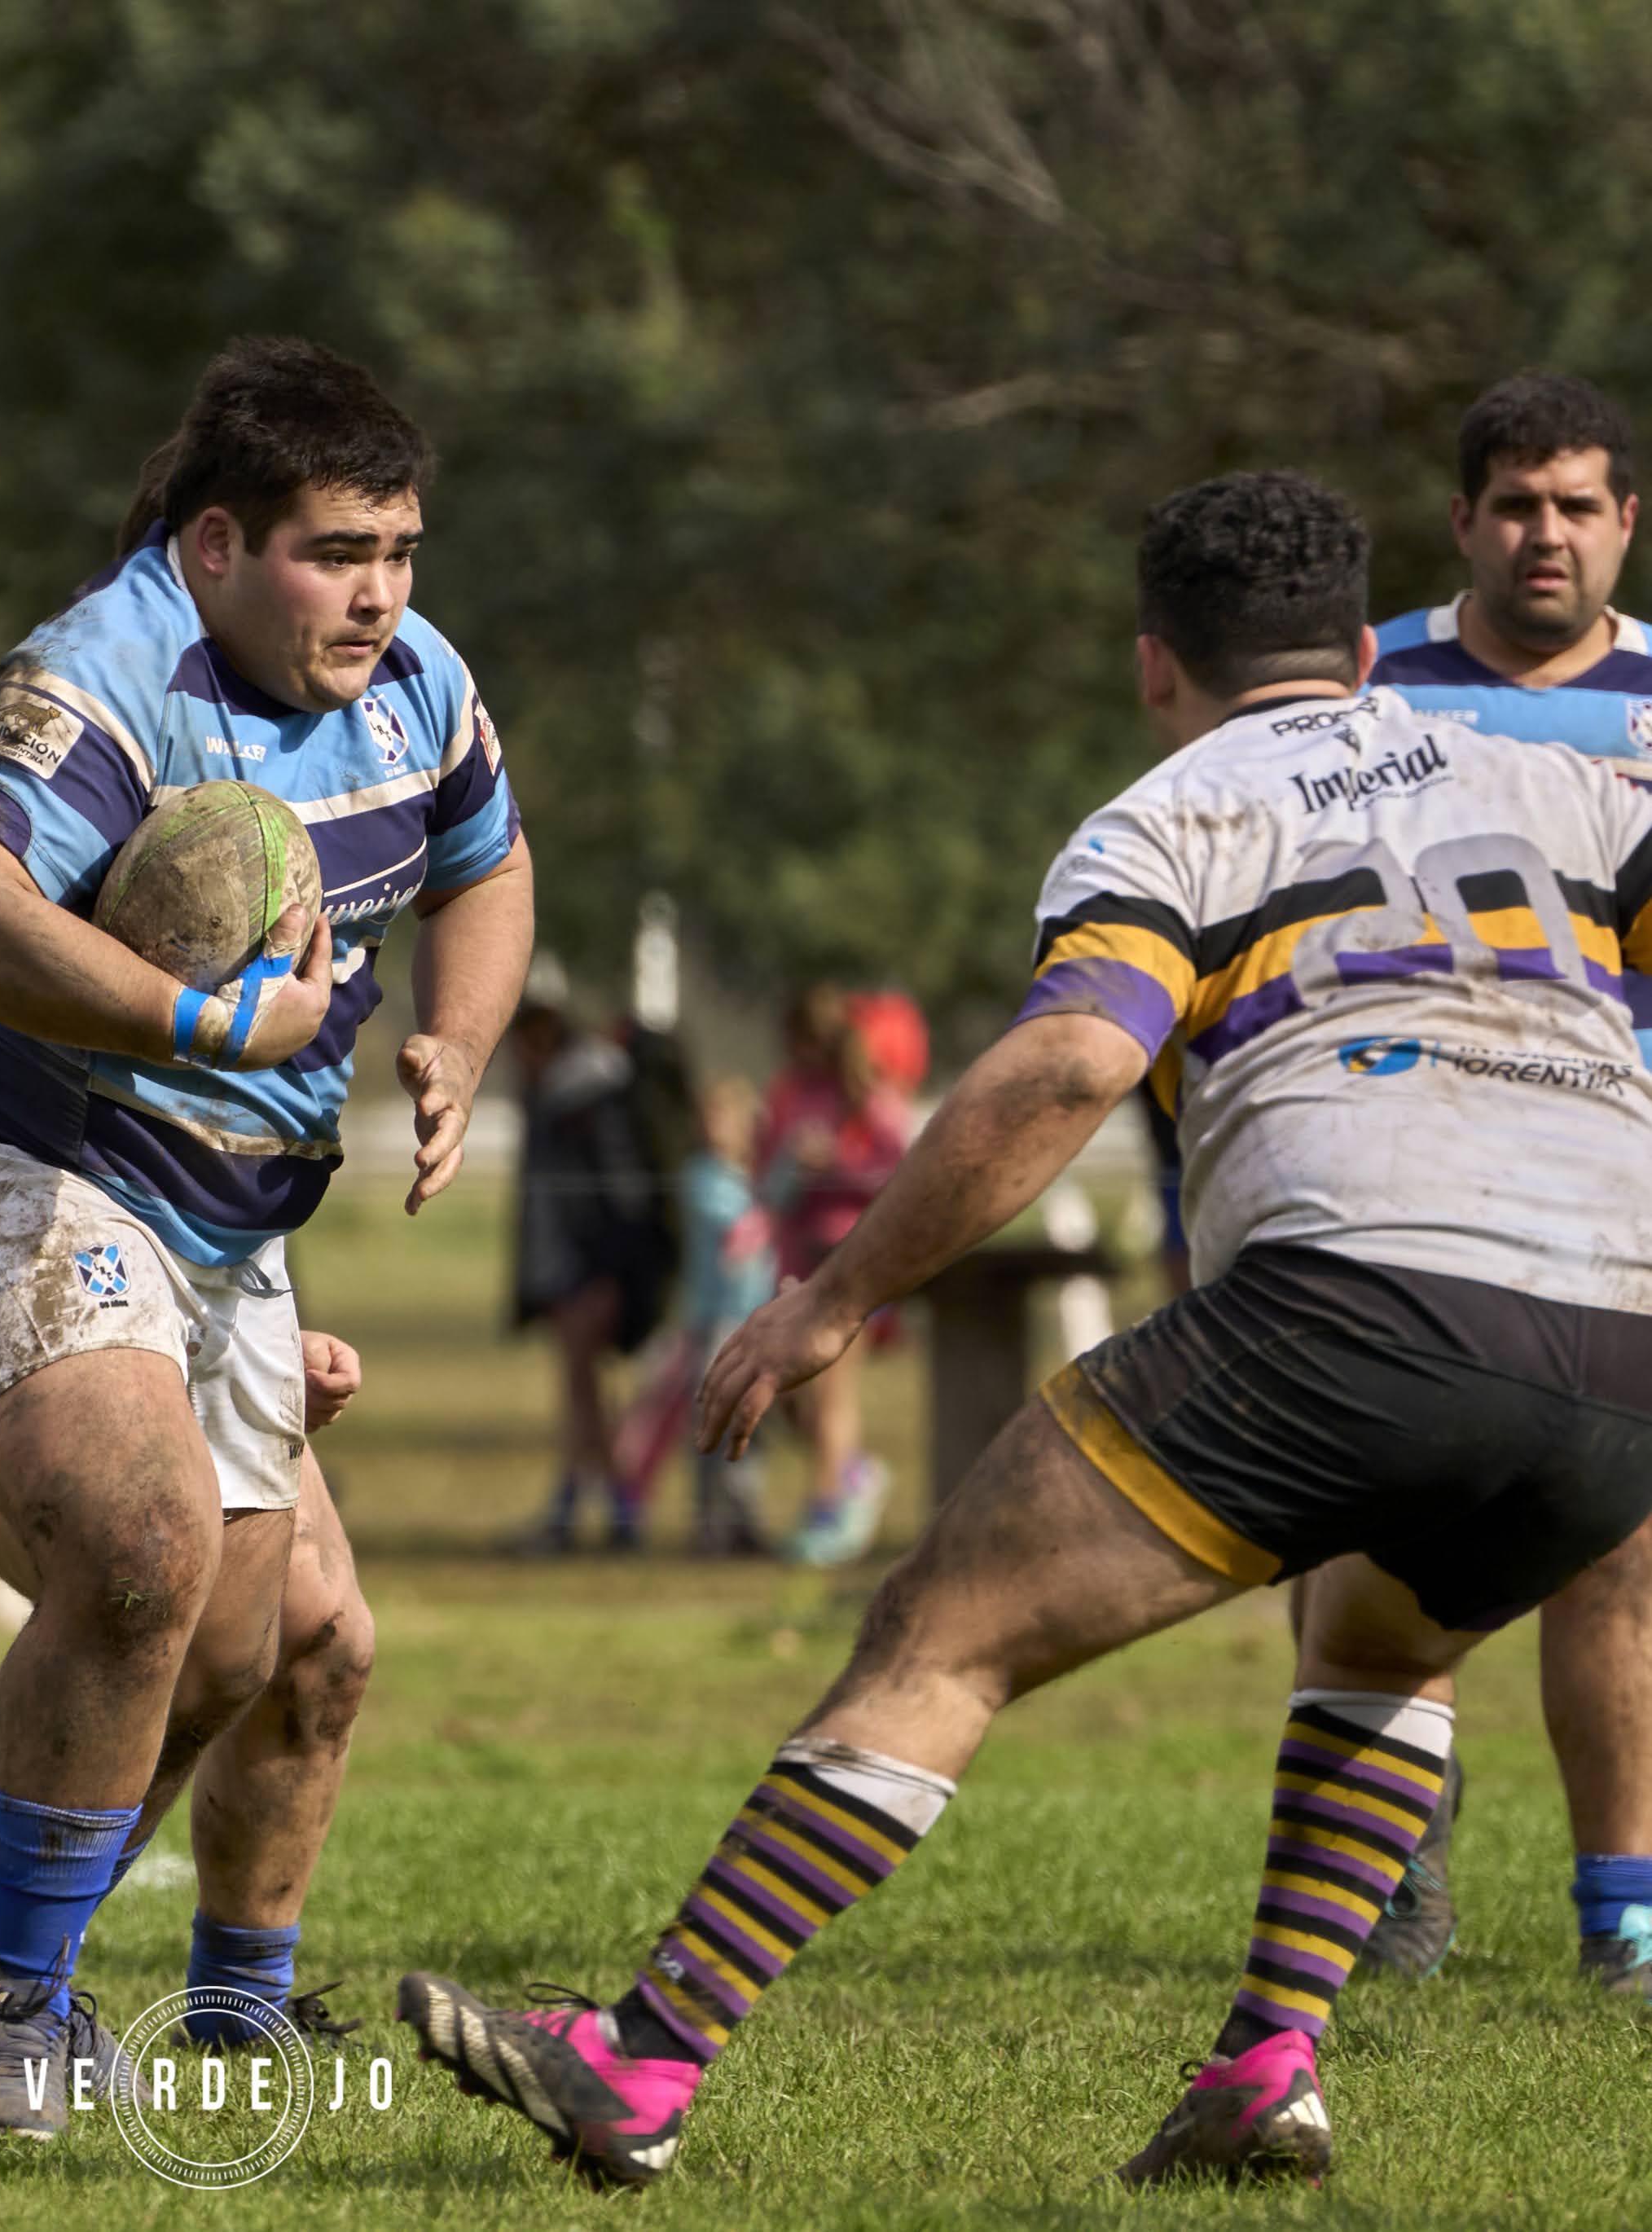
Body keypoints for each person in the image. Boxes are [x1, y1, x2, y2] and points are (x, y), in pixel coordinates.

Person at [398, 471, 1652, 2190]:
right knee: (1376, 1640)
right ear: (1372, 647)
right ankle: (1269, 2060)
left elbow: (1071, 1060)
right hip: (1621, 1346)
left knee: (944, 1630)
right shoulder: (1572, 779)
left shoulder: (1170, 814)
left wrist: (832, 1297)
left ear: (1155, 666)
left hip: (1362, 1296)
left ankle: (644, 2054)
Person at [0, 335, 531, 2138]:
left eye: (401, 551)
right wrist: (216, 1025)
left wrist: (459, 1034)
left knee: (286, 1644)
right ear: (215, 544)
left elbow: (488, 859)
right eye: (334, 552)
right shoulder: (99, 674)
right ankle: (18, 2014)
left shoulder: (420, 683)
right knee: (140, 1542)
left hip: (215, 1219)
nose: (377, 595)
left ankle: (84, 1954)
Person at [0, 762, 377, 2072]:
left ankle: (228, 2008)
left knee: (317, 1637)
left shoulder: (275, 783)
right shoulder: (44, 800)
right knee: (144, 1585)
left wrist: (257, 1329)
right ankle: (9, 1969)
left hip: (156, 1265)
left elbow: (195, 1137)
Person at [1338, 371, 1652, 1989]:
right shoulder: (1362, 687)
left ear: (1625, 523)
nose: (1545, 534)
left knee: (1615, 1545)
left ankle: (1625, 1917)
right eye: (1515, 505)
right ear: (1460, 519)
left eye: (1576, 505)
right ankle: (1399, 1881)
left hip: (1618, 1182)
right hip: (1397, 1167)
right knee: (1389, 1524)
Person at [507, 959, 676, 1553]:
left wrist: (608, 1271)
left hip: (591, 1271)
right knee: (588, 1393)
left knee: (585, 1395)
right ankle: (595, 1505)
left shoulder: (584, 1097)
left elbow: (616, 1195)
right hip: (576, 1271)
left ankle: (594, 1509)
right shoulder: (567, 1094)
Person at [755, 983, 912, 1565]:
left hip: (854, 1263)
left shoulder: (868, 1099)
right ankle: (852, 1476)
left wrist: (835, 1166)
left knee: (831, 1391)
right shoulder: (786, 1095)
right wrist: (789, 1169)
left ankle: (826, 1511)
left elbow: (899, 1175)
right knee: (787, 1394)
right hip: (797, 1263)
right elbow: (763, 1172)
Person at [612, 1074, 778, 1556]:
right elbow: (745, 1225)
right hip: (713, 1324)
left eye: (723, 1117)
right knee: (711, 1424)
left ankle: (744, 1517)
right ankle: (711, 1524)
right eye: (706, 1118)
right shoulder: (701, 1178)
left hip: (755, 1319)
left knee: (751, 1424)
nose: (712, 1128)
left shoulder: (751, 1178)